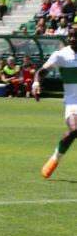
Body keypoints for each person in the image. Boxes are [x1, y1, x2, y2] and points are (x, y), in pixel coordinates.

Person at [34, 26, 77, 179]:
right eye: (70, 35)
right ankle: (54, 159)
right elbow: (41, 72)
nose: (72, 38)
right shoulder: (61, 55)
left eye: (75, 36)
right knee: (74, 129)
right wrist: (36, 84)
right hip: (73, 103)